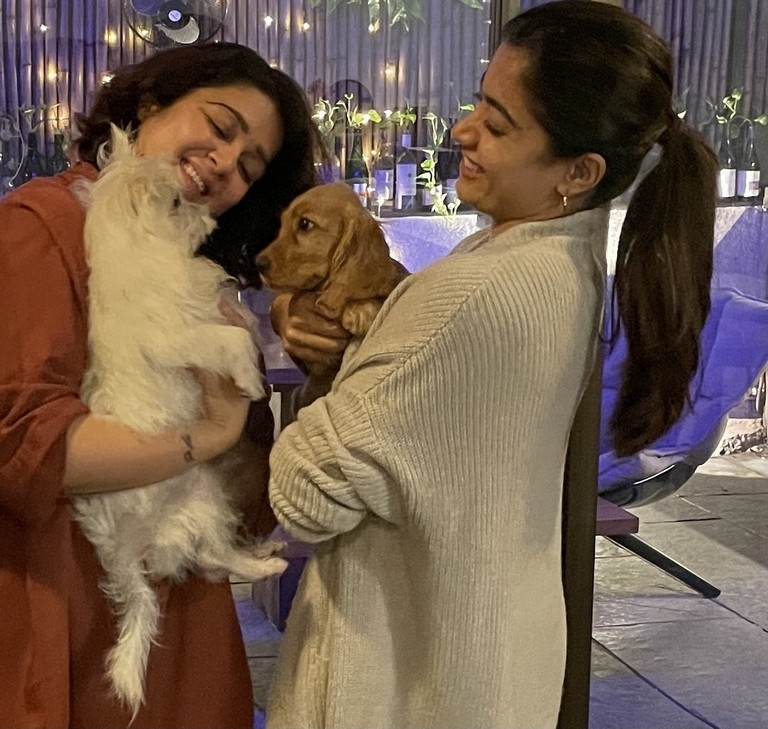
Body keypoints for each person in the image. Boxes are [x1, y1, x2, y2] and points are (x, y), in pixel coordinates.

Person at [266, 2, 718, 727]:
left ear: (578, 171)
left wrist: (324, 387)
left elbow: (303, 496)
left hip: (406, 688)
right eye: (480, 100)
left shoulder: (471, 294)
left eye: (499, 124)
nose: (462, 130)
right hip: (488, 664)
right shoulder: (563, 264)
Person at [0, 43, 320, 728]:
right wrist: (211, 431)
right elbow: (30, 448)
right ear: (150, 105)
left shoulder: (195, 274)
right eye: (220, 125)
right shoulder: (46, 225)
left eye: (250, 167)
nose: (225, 162)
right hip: (69, 613)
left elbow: (247, 504)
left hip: (187, 621)